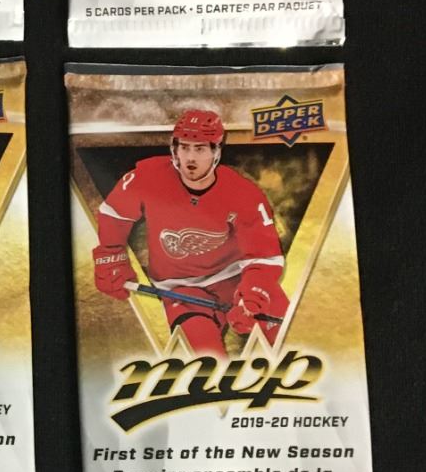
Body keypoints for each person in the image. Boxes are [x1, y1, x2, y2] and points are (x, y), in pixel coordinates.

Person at [91, 107, 287, 355]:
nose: (190, 158)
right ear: (174, 150)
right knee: (204, 355)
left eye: (200, 149)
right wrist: (111, 256)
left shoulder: (244, 193)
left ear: (216, 151)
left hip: (235, 278)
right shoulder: (146, 177)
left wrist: (253, 296)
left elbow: (264, 255)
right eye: (184, 147)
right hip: (178, 287)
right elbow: (114, 212)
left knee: (288, 334)